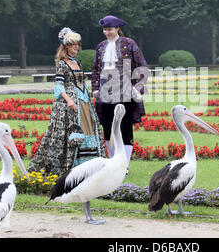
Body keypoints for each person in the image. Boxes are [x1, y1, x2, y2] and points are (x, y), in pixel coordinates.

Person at [28, 28, 105, 176]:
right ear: (66, 46)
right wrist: (69, 100)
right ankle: (72, 165)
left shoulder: (78, 63)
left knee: (89, 129)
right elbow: (58, 86)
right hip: (69, 103)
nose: (77, 47)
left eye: (78, 44)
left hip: (83, 100)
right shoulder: (62, 64)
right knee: (69, 134)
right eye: (73, 44)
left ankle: (90, 164)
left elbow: (82, 82)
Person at [92, 15, 148, 173]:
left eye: (109, 29)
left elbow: (141, 66)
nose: (106, 32)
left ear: (117, 29)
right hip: (104, 94)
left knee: (125, 128)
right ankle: (113, 163)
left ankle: (125, 165)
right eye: (104, 30)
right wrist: (95, 88)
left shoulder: (129, 44)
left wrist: (138, 88)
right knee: (108, 128)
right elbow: (96, 69)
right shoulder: (101, 47)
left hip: (125, 93)